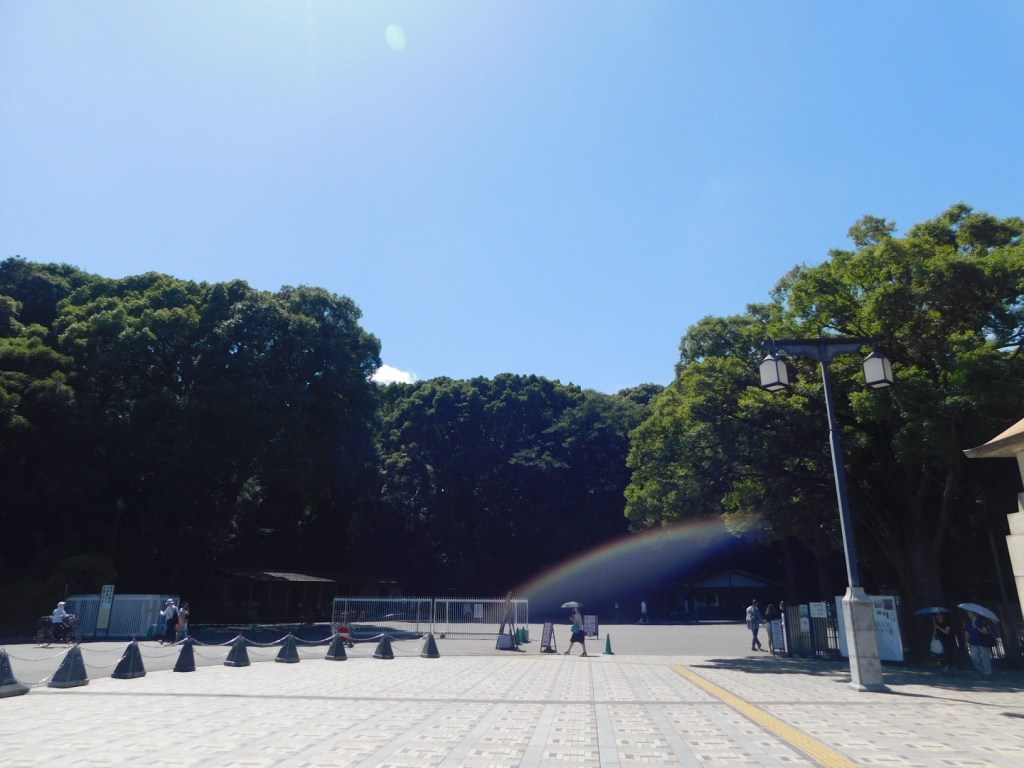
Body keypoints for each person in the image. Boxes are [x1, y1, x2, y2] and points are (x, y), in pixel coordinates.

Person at [963, 610, 994, 679]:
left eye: (969, 613)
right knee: (974, 657)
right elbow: (967, 633)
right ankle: (981, 670)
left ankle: (987, 673)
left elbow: (985, 632)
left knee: (985, 658)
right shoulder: (968, 622)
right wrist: (966, 641)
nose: (968, 614)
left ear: (974, 614)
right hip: (973, 642)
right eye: (967, 613)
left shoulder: (980, 622)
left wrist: (977, 627)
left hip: (983, 642)